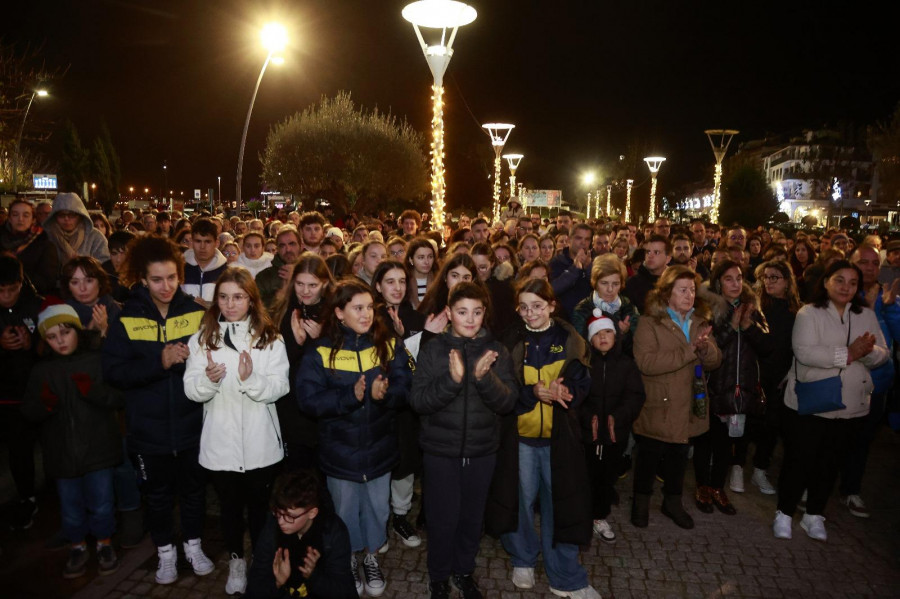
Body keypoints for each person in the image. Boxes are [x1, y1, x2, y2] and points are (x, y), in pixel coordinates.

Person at [101, 236, 214, 585]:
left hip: (193, 426)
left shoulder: (197, 314)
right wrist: (159, 360)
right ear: (142, 279)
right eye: (156, 280)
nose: (165, 287)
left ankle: (194, 546)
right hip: (148, 431)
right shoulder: (126, 318)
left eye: (171, 278)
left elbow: (210, 357)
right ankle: (165, 552)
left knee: (194, 492)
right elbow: (115, 373)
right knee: (158, 497)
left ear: (180, 274)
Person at [297, 280, 413, 597]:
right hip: (340, 452)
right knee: (344, 511)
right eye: (357, 308)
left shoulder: (387, 343)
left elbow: (406, 386)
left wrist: (385, 394)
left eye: (369, 308)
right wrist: (351, 396)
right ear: (338, 312)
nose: (365, 315)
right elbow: (308, 399)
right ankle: (347, 559)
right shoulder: (320, 349)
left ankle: (371, 558)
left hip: (379, 447)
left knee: (378, 508)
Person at [184, 268, 290, 595]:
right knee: (230, 510)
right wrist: (209, 379)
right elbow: (191, 389)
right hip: (221, 445)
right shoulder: (202, 339)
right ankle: (236, 561)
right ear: (216, 300)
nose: (231, 304)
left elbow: (279, 387)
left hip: (260, 445)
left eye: (238, 297)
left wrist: (251, 380)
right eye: (224, 297)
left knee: (260, 509)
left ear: (251, 300)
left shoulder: (269, 338)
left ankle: (260, 561)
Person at [410, 282, 518, 599]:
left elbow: (508, 402)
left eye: (476, 312)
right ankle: (439, 576)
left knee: (472, 520)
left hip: (482, 451)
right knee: (443, 520)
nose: (470, 320)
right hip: (441, 453)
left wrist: (486, 380)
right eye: (461, 312)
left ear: (485, 313)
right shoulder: (433, 350)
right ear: (449, 313)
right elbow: (418, 401)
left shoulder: (497, 350)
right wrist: (452, 381)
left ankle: (463, 571)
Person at [774, 260, 889, 541]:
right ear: (826, 281)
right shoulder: (809, 313)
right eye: (839, 280)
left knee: (830, 463)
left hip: (850, 405)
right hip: (811, 402)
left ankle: (814, 514)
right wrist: (847, 354)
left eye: (852, 282)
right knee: (799, 460)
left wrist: (867, 352)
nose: (845, 287)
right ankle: (785, 513)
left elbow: (883, 353)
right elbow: (805, 352)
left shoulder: (865, 315)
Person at [498, 279, 598, 599]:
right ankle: (522, 558)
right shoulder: (511, 338)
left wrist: (566, 391)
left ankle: (565, 575)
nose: (531, 313)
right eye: (524, 307)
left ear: (552, 305)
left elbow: (583, 378)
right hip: (522, 438)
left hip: (559, 439)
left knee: (561, 504)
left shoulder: (569, 337)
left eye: (538, 306)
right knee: (521, 502)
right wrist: (532, 393)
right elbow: (502, 392)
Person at [22, 299, 123, 578]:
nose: (60, 341)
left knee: (102, 503)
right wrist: (45, 405)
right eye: (52, 337)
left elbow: (118, 397)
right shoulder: (41, 371)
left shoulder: (96, 359)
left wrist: (94, 392)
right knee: (70, 508)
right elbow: (29, 412)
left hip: (98, 449)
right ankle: (77, 546)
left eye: (65, 333)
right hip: (62, 454)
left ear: (78, 331)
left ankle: (104, 543)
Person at [631, 266, 721, 529]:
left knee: (679, 455)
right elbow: (646, 363)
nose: (689, 295)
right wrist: (690, 352)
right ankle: (640, 502)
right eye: (682, 290)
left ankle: (672, 501)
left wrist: (706, 350)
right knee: (648, 456)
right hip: (659, 403)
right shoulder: (650, 323)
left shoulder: (699, 321)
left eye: (692, 290)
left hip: (688, 402)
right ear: (667, 293)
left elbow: (716, 362)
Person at [693, 260, 771, 516]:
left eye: (739, 278)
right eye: (729, 279)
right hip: (715, 384)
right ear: (718, 282)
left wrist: (747, 327)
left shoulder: (752, 308)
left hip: (741, 387)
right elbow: (708, 346)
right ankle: (702, 486)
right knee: (706, 439)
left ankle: (718, 487)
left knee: (728, 443)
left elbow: (766, 346)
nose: (736, 284)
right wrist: (732, 326)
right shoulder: (708, 309)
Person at [582, 311, 645, 544]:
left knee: (606, 477)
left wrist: (617, 418)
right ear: (590, 339)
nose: (603, 337)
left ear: (615, 336)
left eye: (608, 331)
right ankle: (581, 516)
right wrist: (588, 418)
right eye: (597, 334)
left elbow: (635, 395)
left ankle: (599, 516)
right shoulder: (584, 364)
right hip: (588, 434)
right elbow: (577, 397)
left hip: (614, 433)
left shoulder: (627, 365)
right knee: (585, 475)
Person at [245, 470, 358, 598]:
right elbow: (254, 586)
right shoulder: (272, 528)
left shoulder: (333, 532)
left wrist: (314, 576)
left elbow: (343, 590)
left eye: (289, 516)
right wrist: (277, 583)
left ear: (312, 513)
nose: (281, 521)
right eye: (278, 513)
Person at [271, 254, 334, 472]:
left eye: (312, 285)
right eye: (300, 284)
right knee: (297, 468)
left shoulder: (334, 312)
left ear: (324, 283)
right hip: (292, 404)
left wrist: (318, 340)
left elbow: (341, 362)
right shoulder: (284, 310)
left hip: (324, 404)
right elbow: (277, 362)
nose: (305, 291)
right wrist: (297, 344)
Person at [0, 255, 43, 530]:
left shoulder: (36, 305)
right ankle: (26, 497)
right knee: (18, 450)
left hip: (35, 389)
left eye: (12, 289)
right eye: (0, 291)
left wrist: (34, 342)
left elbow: (55, 343)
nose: (6, 297)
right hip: (6, 393)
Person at [752, 260, 801, 495]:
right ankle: (739, 466)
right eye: (766, 277)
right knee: (750, 423)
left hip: (782, 376)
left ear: (787, 282)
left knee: (773, 425)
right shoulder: (758, 306)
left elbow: (796, 347)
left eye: (775, 278)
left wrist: (789, 374)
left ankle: (760, 469)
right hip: (757, 372)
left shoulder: (796, 311)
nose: (769, 282)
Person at [572, 254, 640, 356]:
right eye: (604, 283)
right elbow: (580, 351)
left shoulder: (629, 308)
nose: (610, 289)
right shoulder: (582, 310)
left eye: (615, 284)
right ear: (594, 282)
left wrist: (625, 334)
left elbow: (638, 350)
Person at [0, 198, 60, 295]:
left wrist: (16, 267)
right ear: (9, 218)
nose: (20, 219)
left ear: (33, 219)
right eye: (15, 215)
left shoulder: (44, 245)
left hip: (30, 300)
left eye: (26, 215)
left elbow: (47, 282)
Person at [60, 256, 121, 339]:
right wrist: (89, 331)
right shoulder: (61, 316)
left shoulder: (116, 311)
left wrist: (105, 330)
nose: (82, 288)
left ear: (100, 282)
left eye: (89, 281)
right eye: (75, 282)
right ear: (68, 287)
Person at [43, 193, 110, 263]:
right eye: (61, 215)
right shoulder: (47, 237)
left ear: (80, 215)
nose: (66, 219)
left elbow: (106, 264)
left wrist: (84, 265)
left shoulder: (95, 237)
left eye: (71, 215)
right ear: (54, 217)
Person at [549, 223, 594, 321]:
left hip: (587, 320)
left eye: (587, 239)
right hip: (562, 320)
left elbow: (601, 290)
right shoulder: (556, 262)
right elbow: (552, 289)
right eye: (579, 238)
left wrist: (589, 268)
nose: (583, 242)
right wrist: (575, 269)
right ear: (569, 239)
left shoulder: (594, 262)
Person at [182, 218, 228, 307]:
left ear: (217, 243)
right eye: (198, 241)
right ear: (191, 241)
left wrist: (209, 306)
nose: (202, 247)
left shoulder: (226, 272)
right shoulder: (179, 268)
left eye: (208, 241)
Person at [257, 226, 304, 309]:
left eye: (292, 244)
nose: (288, 249)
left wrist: (296, 278)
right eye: (282, 246)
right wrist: (282, 292)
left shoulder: (314, 271)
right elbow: (259, 310)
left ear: (301, 246)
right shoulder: (263, 277)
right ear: (277, 249)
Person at [623, 234, 670, 313]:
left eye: (656, 252)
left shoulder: (675, 282)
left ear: (668, 258)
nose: (650, 256)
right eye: (648, 252)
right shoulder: (632, 284)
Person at [404, 237, 439, 309]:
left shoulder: (438, 281)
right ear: (411, 260)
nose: (426, 262)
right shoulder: (404, 281)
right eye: (421, 257)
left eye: (430, 257)